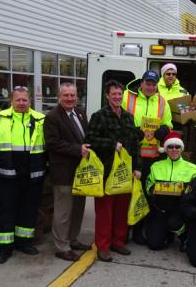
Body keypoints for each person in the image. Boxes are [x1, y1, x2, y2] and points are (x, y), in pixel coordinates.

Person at [85, 80, 142, 262]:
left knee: (121, 209)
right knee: (105, 212)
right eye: (114, 94)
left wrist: (138, 168)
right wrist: (111, 145)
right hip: (106, 172)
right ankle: (103, 247)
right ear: (107, 96)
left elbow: (135, 145)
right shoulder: (99, 116)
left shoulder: (128, 117)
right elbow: (90, 140)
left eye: (120, 94)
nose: (117, 97)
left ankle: (118, 241)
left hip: (125, 173)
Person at [122, 70, 173, 244]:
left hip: (151, 158)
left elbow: (169, 123)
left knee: (143, 195)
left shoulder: (162, 102)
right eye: (148, 83)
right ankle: (122, 231)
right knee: (125, 194)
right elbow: (118, 119)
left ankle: (138, 232)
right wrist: (133, 131)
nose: (150, 87)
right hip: (129, 154)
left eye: (154, 84)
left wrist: (161, 132)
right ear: (141, 83)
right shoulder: (127, 97)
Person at [0, 86, 46, 264]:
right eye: (18, 100)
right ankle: (4, 248)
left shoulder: (40, 119)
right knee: (5, 210)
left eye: (24, 100)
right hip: (5, 174)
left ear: (30, 101)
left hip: (33, 173)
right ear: (11, 101)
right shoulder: (0, 118)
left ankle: (23, 242)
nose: (21, 103)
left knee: (29, 209)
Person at [44, 82, 91, 262]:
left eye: (73, 95)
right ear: (59, 97)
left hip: (81, 172)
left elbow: (85, 137)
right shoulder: (53, 117)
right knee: (63, 212)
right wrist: (77, 149)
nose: (70, 99)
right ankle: (62, 247)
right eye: (66, 95)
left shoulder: (80, 112)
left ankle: (73, 239)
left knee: (78, 208)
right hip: (63, 172)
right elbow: (53, 143)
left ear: (77, 96)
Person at [145, 131, 196, 251]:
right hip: (161, 208)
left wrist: (186, 191)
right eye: (170, 147)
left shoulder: (194, 169)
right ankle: (167, 234)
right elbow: (148, 185)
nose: (174, 149)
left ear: (181, 149)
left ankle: (184, 236)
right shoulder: (156, 166)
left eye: (177, 147)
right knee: (154, 245)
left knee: (174, 222)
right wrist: (153, 189)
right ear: (165, 149)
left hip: (180, 209)